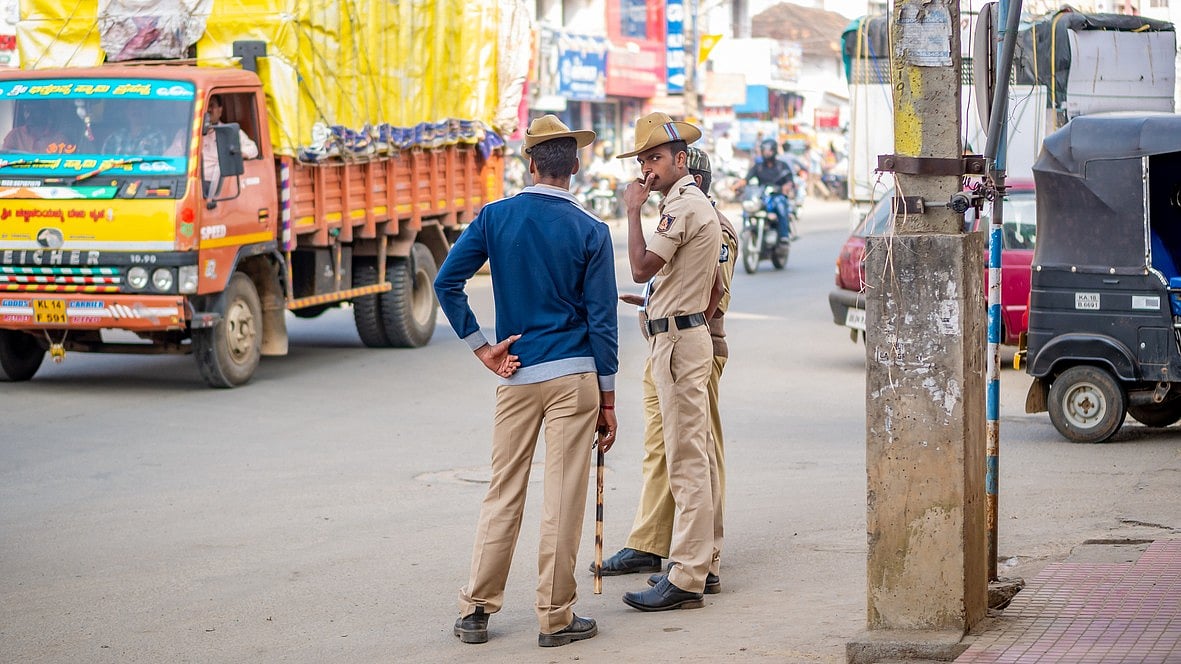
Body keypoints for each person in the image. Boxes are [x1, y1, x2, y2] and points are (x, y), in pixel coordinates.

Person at [434, 114, 619, 648]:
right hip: (575, 376)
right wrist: (608, 400)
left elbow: (449, 283)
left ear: (531, 163)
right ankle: (555, 618)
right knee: (562, 499)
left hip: (516, 375)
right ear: (576, 167)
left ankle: (475, 612)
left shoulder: (495, 217)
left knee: (502, 492)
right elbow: (602, 322)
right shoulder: (592, 230)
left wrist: (482, 349)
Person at [602, 146, 736, 597]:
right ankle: (684, 556)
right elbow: (701, 284)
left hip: (687, 345)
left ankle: (693, 570)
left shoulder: (692, 211)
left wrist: (632, 212)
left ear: (686, 168)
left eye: (654, 160)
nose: (646, 171)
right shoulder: (686, 212)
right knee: (672, 453)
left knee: (691, 460)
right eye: (643, 163)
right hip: (675, 338)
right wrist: (663, 306)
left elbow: (648, 270)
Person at [740, 138, 796, 243]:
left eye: (768, 150)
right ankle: (746, 229)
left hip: (777, 195)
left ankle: (784, 235)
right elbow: (746, 179)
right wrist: (736, 186)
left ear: (774, 151)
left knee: (780, 205)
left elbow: (789, 180)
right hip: (762, 196)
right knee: (747, 207)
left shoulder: (782, 166)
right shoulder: (759, 166)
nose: (766, 153)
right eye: (764, 150)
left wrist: (786, 187)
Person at [202, 95, 259, 193]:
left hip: (218, 186)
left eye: (212, 105)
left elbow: (253, 149)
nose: (209, 110)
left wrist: (237, 154)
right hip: (194, 183)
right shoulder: (187, 133)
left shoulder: (229, 131)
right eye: (206, 106)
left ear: (220, 110)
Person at [3, 103, 68, 153]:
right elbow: (5, 163)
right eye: (27, 110)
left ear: (45, 113)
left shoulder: (60, 139)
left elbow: (67, 166)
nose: (29, 114)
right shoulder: (14, 135)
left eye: (35, 111)